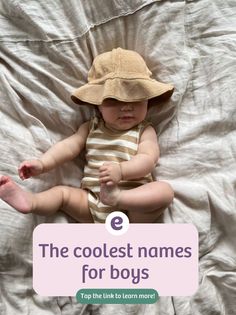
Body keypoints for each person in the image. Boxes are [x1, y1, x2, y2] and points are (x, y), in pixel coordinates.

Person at [0, 48, 174, 223]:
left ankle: (117, 197)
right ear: (97, 104)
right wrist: (43, 164)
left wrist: (121, 171)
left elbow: (148, 158)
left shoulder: (144, 130)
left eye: (135, 99)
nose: (126, 107)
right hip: (92, 201)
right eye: (113, 100)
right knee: (62, 194)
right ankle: (31, 202)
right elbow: (68, 147)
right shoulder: (91, 127)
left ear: (147, 101)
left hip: (133, 205)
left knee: (164, 192)